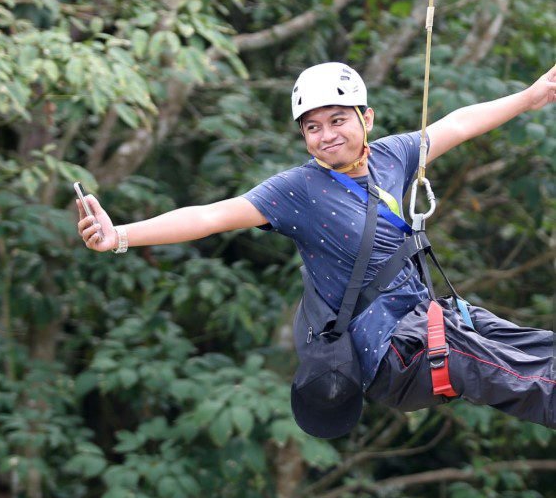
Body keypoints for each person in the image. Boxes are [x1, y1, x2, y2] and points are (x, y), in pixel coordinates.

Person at [77, 62, 556, 433]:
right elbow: (210, 216)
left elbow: (459, 124)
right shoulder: (296, 191)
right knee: (504, 370)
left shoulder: (393, 156)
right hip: (392, 350)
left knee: (527, 345)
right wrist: (120, 235)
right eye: (312, 127)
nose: (326, 136)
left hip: (429, 322)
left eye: (337, 120)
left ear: (366, 119)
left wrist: (531, 96)